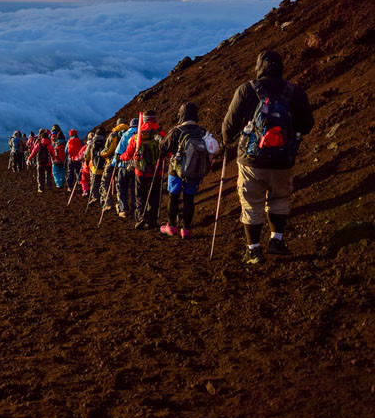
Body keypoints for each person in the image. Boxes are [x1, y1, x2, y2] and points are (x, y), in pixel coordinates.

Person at [222, 50, 313, 264]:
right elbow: (307, 124)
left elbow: (228, 127)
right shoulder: (294, 92)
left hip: (251, 159)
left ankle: (253, 250)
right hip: (283, 159)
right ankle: (277, 241)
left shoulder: (247, 90)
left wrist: (228, 140)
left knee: (251, 202)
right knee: (279, 198)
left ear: (259, 66)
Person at [158, 102, 212, 238]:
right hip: (194, 171)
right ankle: (186, 229)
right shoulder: (202, 131)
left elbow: (163, 148)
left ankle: (171, 226)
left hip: (176, 170)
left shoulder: (177, 131)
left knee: (173, 196)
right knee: (189, 198)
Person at [120, 110, 166, 230]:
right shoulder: (161, 133)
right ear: (154, 119)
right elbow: (168, 152)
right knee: (154, 196)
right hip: (157, 171)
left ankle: (140, 218)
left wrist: (121, 157)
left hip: (140, 171)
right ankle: (152, 220)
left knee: (140, 195)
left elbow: (129, 154)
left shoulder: (137, 136)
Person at [99, 119, 128, 209]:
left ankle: (108, 203)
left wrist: (101, 153)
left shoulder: (114, 134)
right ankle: (120, 206)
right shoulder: (129, 133)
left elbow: (108, 150)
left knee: (105, 181)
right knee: (119, 184)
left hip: (112, 162)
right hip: (124, 163)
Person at [114, 117, 139, 219]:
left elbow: (118, 152)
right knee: (135, 189)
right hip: (137, 167)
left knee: (122, 187)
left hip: (124, 165)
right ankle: (135, 209)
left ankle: (124, 210)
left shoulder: (125, 135)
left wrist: (114, 163)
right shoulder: (141, 135)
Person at [86, 127, 108, 206]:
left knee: (94, 184)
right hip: (104, 168)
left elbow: (86, 156)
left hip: (94, 168)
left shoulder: (92, 143)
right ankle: (103, 199)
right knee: (103, 184)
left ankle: (95, 197)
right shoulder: (106, 142)